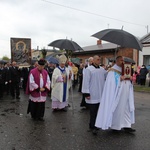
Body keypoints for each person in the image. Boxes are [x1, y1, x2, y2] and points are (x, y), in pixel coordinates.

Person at [95, 56, 136, 133]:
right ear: (117, 61)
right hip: (118, 93)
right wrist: (120, 79)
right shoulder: (112, 71)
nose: (123, 62)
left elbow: (129, 79)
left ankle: (126, 125)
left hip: (126, 91)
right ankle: (115, 126)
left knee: (127, 107)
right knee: (118, 108)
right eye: (121, 60)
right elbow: (110, 82)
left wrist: (130, 79)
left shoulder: (125, 68)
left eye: (123, 60)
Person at [82, 55, 106, 135]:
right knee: (93, 112)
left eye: (100, 59)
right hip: (92, 93)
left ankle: (98, 124)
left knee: (99, 111)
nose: (99, 61)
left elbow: (107, 77)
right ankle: (92, 126)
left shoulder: (102, 70)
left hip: (100, 93)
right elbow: (86, 81)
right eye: (98, 59)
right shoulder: (89, 70)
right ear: (93, 61)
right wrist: (86, 93)